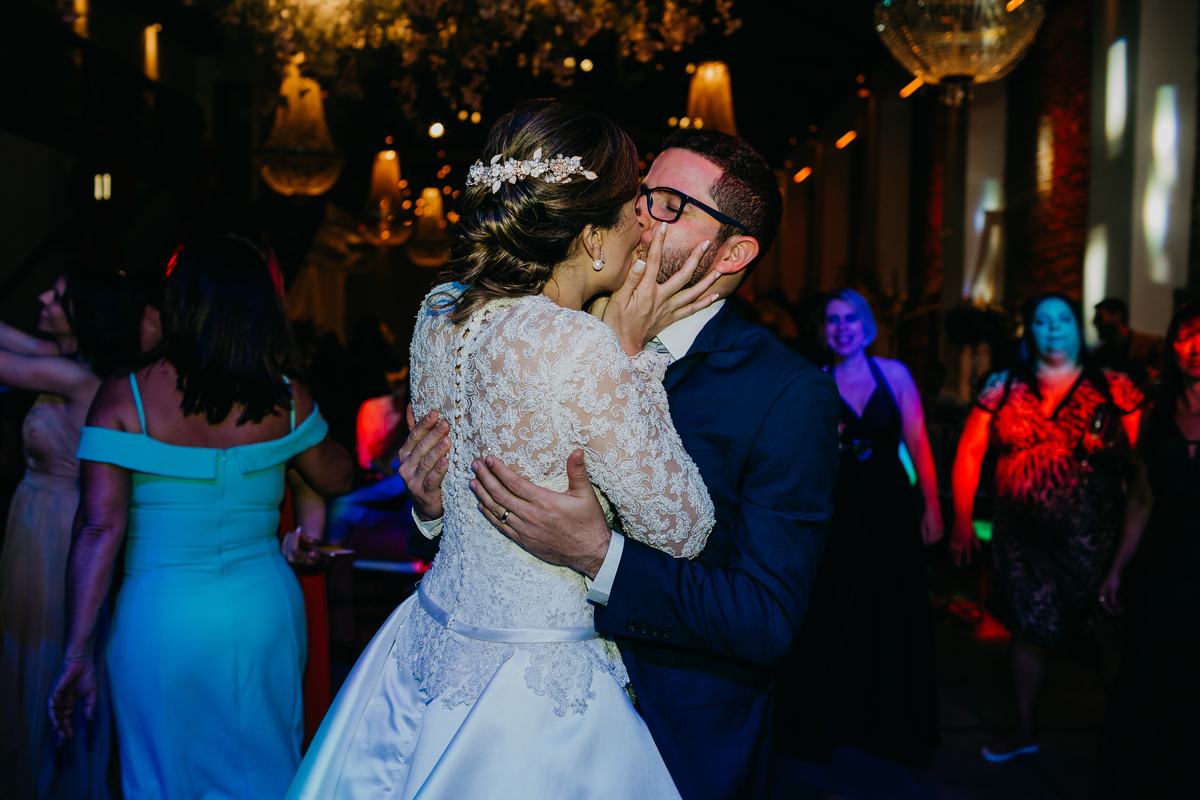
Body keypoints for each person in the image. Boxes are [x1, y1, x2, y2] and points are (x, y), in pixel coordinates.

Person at [287, 100, 726, 800]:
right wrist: (636, 360)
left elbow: (440, 485)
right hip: (534, 682)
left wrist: (427, 509)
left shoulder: (438, 311)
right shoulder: (585, 346)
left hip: (429, 639)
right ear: (590, 237)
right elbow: (684, 530)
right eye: (632, 208)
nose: (646, 223)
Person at [406, 127, 841, 799]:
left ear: (735, 251)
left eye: (669, 204)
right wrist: (433, 505)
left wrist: (599, 554)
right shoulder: (548, 324)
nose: (641, 215)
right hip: (505, 709)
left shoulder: (785, 392)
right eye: (640, 195)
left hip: (677, 739)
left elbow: (766, 618)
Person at [46, 235, 354, 800]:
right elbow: (339, 476)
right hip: (262, 609)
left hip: (162, 617)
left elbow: (98, 530)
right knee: (266, 770)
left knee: (163, 778)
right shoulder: (284, 398)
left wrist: (75, 653)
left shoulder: (125, 398)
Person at [950, 292, 1142, 762]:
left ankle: (1129, 739)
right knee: (1027, 628)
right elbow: (970, 452)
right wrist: (960, 518)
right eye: (1041, 320)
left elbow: (1144, 466)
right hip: (1022, 539)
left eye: (1062, 320)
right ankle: (1025, 728)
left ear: (1079, 328)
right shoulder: (1002, 384)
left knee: (1107, 632)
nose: (1052, 328)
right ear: (1029, 330)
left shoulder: (1114, 386)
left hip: (1094, 539)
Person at [774, 288, 942, 768]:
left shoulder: (895, 374)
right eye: (832, 319)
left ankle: (886, 723)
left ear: (866, 325)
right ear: (824, 330)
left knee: (890, 603)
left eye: (850, 318)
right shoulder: (817, 380)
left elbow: (919, 443)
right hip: (840, 506)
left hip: (889, 503)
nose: (842, 327)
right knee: (836, 604)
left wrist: (933, 506)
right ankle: (834, 717)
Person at [0, 265, 139, 800]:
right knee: (20, 661)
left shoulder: (81, 381)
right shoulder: (65, 363)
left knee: (42, 652)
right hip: (30, 525)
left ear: (86, 314)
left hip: (58, 534)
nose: (41, 297)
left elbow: (7, 362)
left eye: (56, 295)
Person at [1095, 302, 1200, 797]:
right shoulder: (1158, 409)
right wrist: (1117, 569)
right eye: (1185, 336)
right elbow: (1140, 497)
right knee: (1144, 678)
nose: (1195, 349)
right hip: (1161, 565)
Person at [1092, 297, 1163, 390]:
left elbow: (1161, 380)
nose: (1094, 322)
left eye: (1099, 317)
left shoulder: (1152, 344)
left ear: (1117, 315)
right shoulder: (1099, 354)